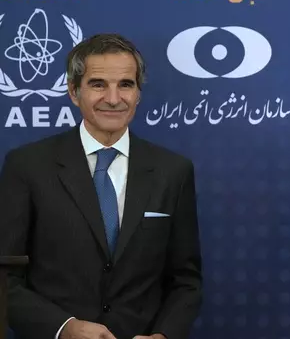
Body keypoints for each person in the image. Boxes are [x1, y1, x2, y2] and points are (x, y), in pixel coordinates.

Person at [0, 34, 202, 339]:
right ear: (73, 91)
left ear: (138, 94)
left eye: (125, 84)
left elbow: (186, 280)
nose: (113, 98)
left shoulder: (173, 171)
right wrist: (63, 328)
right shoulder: (27, 166)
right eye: (98, 84)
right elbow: (5, 275)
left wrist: (163, 335)